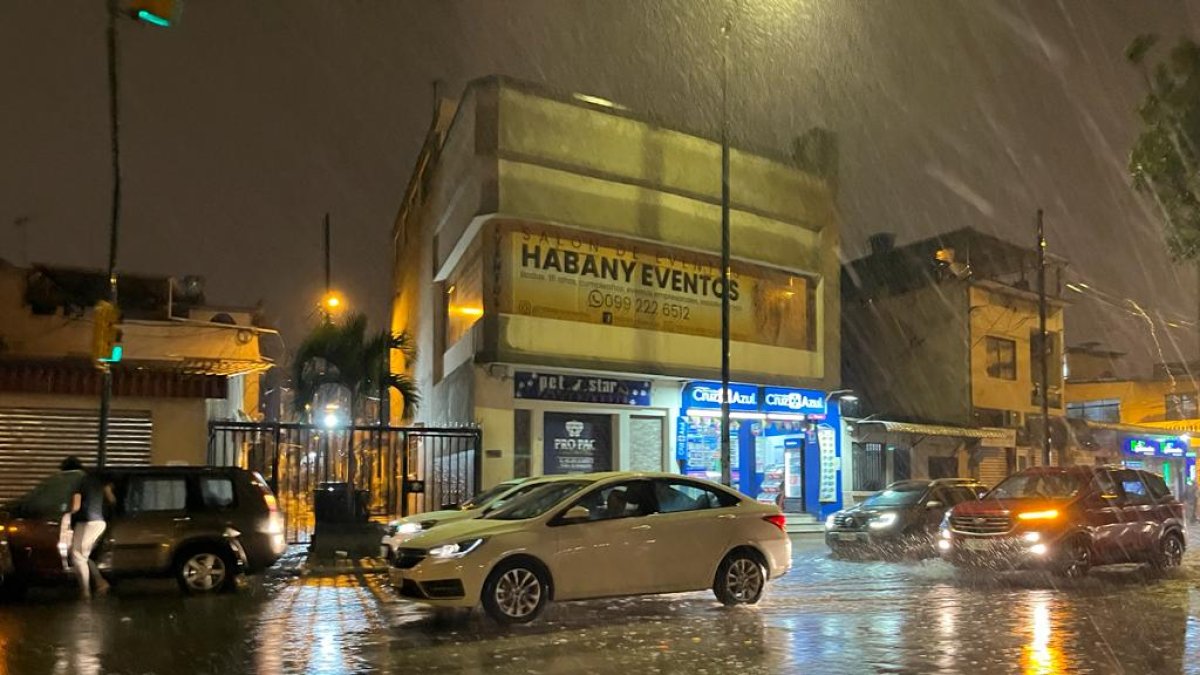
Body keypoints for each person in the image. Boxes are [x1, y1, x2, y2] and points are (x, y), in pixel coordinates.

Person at [65, 458, 114, 599]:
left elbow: (75, 506)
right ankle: (100, 583)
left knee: (77, 556)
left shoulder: (78, 482)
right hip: (99, 522)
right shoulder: (96, 479)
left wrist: (66, 513)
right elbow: (111, 499)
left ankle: (85, 592)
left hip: (86, 522)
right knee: (85, 556)